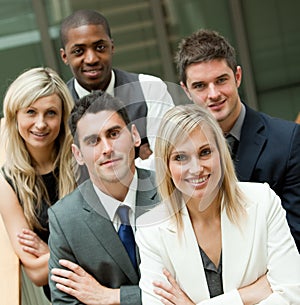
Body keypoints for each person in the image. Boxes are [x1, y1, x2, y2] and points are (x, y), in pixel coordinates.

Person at [136, 104, 300, 305]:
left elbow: (293, 294)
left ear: (221, 154)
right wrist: (244, 296)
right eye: (180, 157)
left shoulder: (262, 200)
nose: (196, 168)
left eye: (205, 152)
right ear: (167, 167)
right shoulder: (151, 229)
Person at [174, 29, 300, 251]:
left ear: (238, 76)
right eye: (200, 86)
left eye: (221, 80)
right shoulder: (176, 157)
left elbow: (295, 235)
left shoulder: (287, 141)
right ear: (186, 90)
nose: (213, 94)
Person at [48, 91, 159, 304]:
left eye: (114, 133)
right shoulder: (64, 220)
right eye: (93, 141)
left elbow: (193, 284)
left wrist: (111, 297)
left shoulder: (171, 192)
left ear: (135, 136)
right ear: (78, 154)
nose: (107, 149)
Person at [0, 67, 76, 303]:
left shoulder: (81, 160)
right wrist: (78, 250)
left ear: (62, 117)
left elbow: (108, 243)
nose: (40, 124)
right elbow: (35, 272)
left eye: (50, 113)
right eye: (31, 112)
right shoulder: (8, 182)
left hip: (110, 283)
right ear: (15, 116)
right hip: (64, 297)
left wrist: (49, 252)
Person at [59, 8, 174, 165]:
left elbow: (167, 159)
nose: (91, 59)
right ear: (65, 56)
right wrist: (137, 161)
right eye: (79, 51)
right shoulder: (58, 106)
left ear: (112, 47)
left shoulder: (150, 89)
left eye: (100, 47)